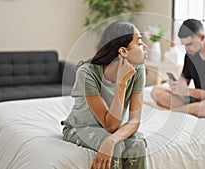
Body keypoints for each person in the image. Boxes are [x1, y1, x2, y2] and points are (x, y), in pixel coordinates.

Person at [61, 21, 148, 169]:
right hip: (80, 128)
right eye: (139, 43)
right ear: (123, 51)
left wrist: (111, 140)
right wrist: (121, 84)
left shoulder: (138, 70)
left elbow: (134, 121)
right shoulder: (87, 73)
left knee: (138, 143)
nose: (145, 46)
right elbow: (110, 125)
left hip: (111, 130)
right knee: (116, 147)